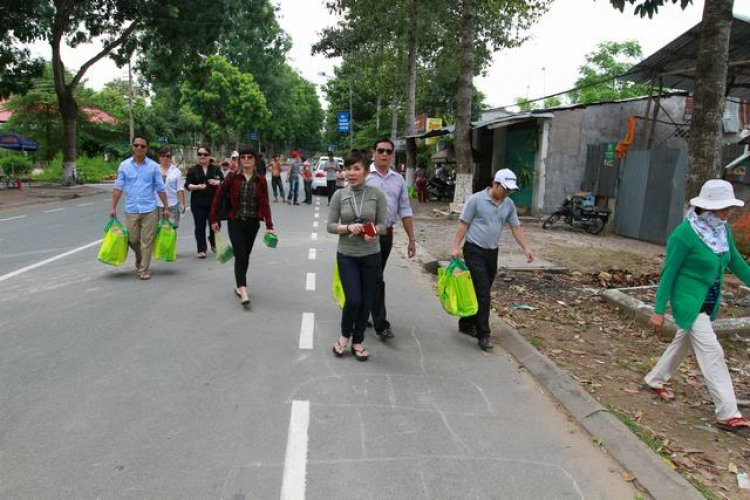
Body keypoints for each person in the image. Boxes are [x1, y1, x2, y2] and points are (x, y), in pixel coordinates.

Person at [644, 180, 750, 432]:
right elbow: (668, 274)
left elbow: (736, 263)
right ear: (709, 208)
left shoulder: (721, 232)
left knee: (682, 343)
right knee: (712, 352)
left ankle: (654, 379)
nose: (729, 213)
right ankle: (727, 412)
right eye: (725, 208)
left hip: (708, 300)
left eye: (729, 208)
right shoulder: (684, 234)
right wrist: (658, 310)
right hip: (687, 301)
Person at [450, 169, 534, 350]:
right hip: (473, 250)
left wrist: (526, 248)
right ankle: (484, 334)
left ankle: (465, 324)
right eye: (505, 189)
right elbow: (463, 223)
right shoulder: (476, 200)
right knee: (483, 293)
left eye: (510, 190)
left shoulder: (508, 204)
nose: (507, 193)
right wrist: (456, 247)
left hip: (492, 252)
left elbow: (515, 227)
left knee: (482, 290)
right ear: (495, 184)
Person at [327, 150, 388, 361]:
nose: (351, 173)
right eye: (348, 168)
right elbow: (330, 226)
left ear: (365, 171)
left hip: (371, 255)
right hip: (347, 255)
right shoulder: (339, 195)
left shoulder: (377, 194)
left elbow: (384, 225)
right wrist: (347, 227)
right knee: (353, 299)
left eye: (356, 168)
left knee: (366, 301)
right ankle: (345, 335)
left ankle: (358, 341)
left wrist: (374, 233)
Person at [365, 138, 417, 340]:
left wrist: (412, 239)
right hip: (365, 235)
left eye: (388, 151)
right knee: (376, 278)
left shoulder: (398, 180)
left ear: (392, 155)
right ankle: (381, 324)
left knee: (374, 276)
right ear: (374, 153)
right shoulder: (364, 176)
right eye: (381, 150)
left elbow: (405, 209)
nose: (384, 154)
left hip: (386, 234)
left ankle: (364, 310)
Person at [210, 146, 274, 306]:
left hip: (253, 223)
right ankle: (243, 288)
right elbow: (218, 198)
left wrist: (269, 226)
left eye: (249, 157)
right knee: (241, 255)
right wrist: (213, 219)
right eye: (243, 157)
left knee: (246, 255)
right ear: (239, 160)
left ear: (255, 160)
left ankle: (239, 286)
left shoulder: (261, 181)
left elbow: (265, 203)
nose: (246, 160)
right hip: (235, 221)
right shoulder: (232, 177)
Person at [109, 136, 169, 281]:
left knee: (147, 241)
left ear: (146, 149)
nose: (139, 148)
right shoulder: (124, 165)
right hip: (131, 209)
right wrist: (113, 207)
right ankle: (140, 258)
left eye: (143, 146)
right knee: (132, 239)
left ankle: (143, 269)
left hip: (149, 209)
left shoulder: (153, 166)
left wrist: (166, 207)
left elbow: (160, 188)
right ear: (132, 147)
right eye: (137, 145)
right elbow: (118, 187)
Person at [185, 146, 223, 258]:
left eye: (205, 154)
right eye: (200, 154)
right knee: (199, 226)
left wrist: (217, 182)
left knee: (216, 225)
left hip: (214, 203)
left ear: (209, 155)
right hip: (198, 204)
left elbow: (223, 182)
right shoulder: (193, 170)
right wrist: (197, 187)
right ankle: (201, 249)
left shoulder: (215, 169)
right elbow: (187, 185)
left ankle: (213, 242)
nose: (202, 156)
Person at [156, 146, 186, 228]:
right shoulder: (154, 170)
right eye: (163, 155)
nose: (165, 158)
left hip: (172, 205)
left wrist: (182, 204)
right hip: (156, 205)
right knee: (157, 230)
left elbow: (180, 189)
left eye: (168, 156)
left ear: (171, 157)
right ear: (159, 157)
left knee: (172, 230)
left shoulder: (176, 171)